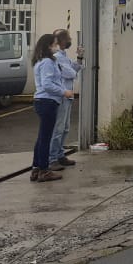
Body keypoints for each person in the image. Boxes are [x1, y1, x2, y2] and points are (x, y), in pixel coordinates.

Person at [30, 33, 73, 183]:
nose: (57, 46)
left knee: (42, 137)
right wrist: (64, 92)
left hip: (43, 101)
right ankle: (44, 170)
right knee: (45, 138)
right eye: (54, 44)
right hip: (47, 102)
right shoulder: (47, 62)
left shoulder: (41, 61)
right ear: (48, 46)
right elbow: (47, 84)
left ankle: (36, 168)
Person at [48, 28, 83, 172]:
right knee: (58, 128)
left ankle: (60, 154)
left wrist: (79, 58)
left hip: (67, 96)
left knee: (65, 128)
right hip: (62, 96)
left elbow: (73, 69)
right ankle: (52, 159)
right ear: (62, 41)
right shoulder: (56, 57)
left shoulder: (64, 56)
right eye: (68, 38)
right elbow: (71, 72)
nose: (71, 41)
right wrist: (74, 69)